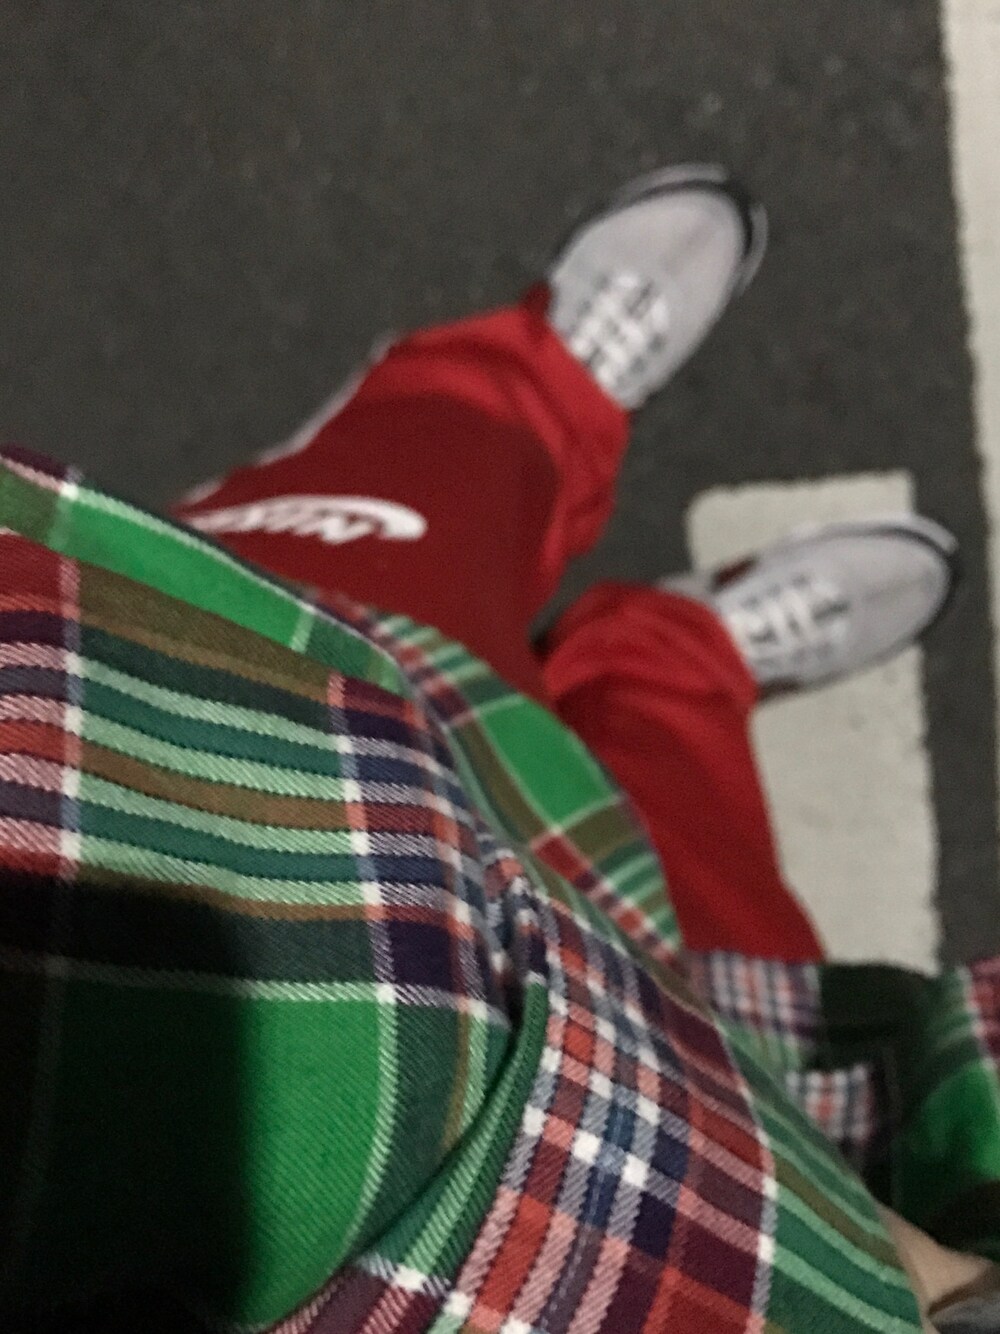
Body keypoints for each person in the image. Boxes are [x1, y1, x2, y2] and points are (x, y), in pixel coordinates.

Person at [1, 165, 998, 1333]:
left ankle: (541, 384)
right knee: (690, 813)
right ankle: (667, 659)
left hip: (346, 796)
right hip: (779, 1087)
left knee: (426, 486)